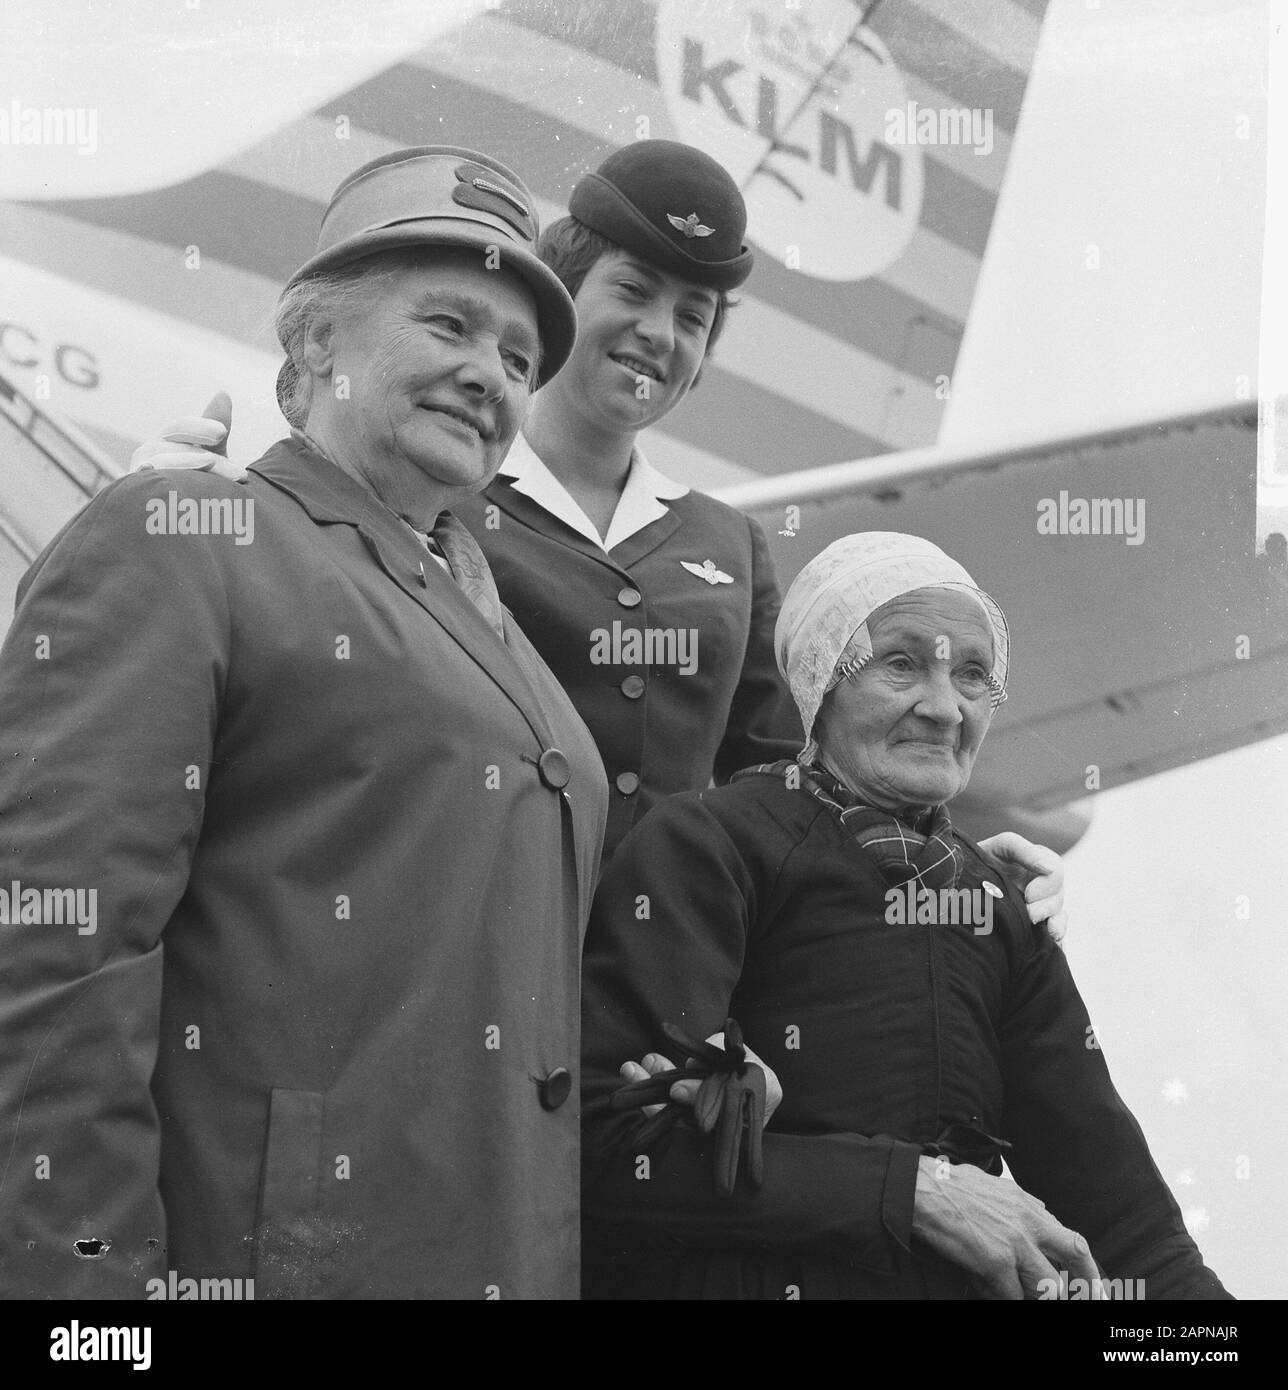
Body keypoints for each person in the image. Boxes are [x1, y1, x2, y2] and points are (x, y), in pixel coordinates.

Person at [131, 140, 1069, 937]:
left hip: (656, 1010)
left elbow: (798, 786)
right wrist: (164, 518)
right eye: (633, 290)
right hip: (457, 949)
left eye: (694, 320)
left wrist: (946, 875)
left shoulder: (727, 546)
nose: (659, 334)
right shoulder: (432, 489)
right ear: (561, 299)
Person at [0, 146, 607, 1299]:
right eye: (450, 324)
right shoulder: (188, 535)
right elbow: (52, 953)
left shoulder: (503, 639)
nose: (490, 374)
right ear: (314, 342)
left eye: (518, 357)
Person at [580, 532, 1231, 1301]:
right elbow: (614, 1146)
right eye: (901, 663)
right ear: (822, 680)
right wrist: (913, 1191)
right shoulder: (708, 844)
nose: (945, 708)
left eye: (974, 675)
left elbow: (1129, 1231)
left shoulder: (998, 908)